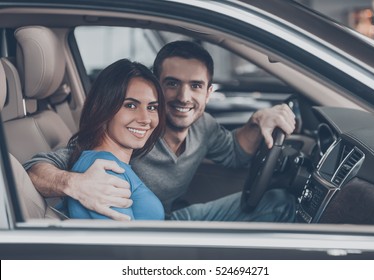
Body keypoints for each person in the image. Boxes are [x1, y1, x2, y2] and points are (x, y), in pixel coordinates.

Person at [24, 40, 296, 222]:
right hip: (155, 231)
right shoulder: (112, 151)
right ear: (156, 82)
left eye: (196, 86)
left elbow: (236, 153)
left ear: (209, 92)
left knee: (278, 201)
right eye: (172, 83)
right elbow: (39, 167)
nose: (183, 97)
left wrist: (258, 121)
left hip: (166, 219)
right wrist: (73, 183)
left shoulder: (204, 127)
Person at [67, 59, 166, 220]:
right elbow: (124, 244)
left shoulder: (112, 164)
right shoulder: (104, 171)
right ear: (104, 107)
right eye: (131, 105)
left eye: (152, 107)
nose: (145, 119)